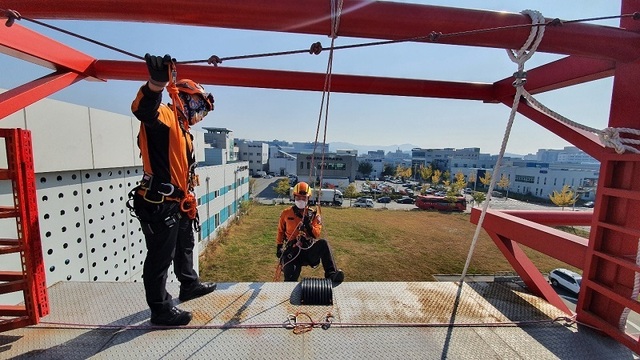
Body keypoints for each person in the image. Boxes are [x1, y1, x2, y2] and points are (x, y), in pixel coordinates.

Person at [129, 53, 216, 326]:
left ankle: (188, 284)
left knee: (184, 245)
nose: (200, 116)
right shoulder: (166, 115)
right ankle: (160, 309)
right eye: (200, 108)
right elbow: (143, 111)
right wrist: (155, 84)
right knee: (159, 257)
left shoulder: (183, 128)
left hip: (178, 201)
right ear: (187, 98)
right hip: (160, 201)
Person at [277, 181, 344, 283]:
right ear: (294, 197)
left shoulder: (313, 214)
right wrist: (279, 246)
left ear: (308, 199)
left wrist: (308, 225)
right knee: (289, 280)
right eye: (298, 197)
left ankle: (331, 274)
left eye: (304, 198)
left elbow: (316, 234)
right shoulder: (286, 213)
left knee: (323, 244)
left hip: (308, 251)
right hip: (293, 251)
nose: (301, 200)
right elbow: (281, 231)